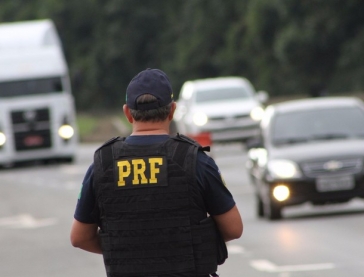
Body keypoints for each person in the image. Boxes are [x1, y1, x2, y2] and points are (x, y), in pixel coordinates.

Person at [70, 68, 243, 277]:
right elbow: (234, 228)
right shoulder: (194, 160)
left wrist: (125, 249)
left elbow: (79, 237)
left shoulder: (103, 164)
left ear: (127, 113)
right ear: (172, 110)